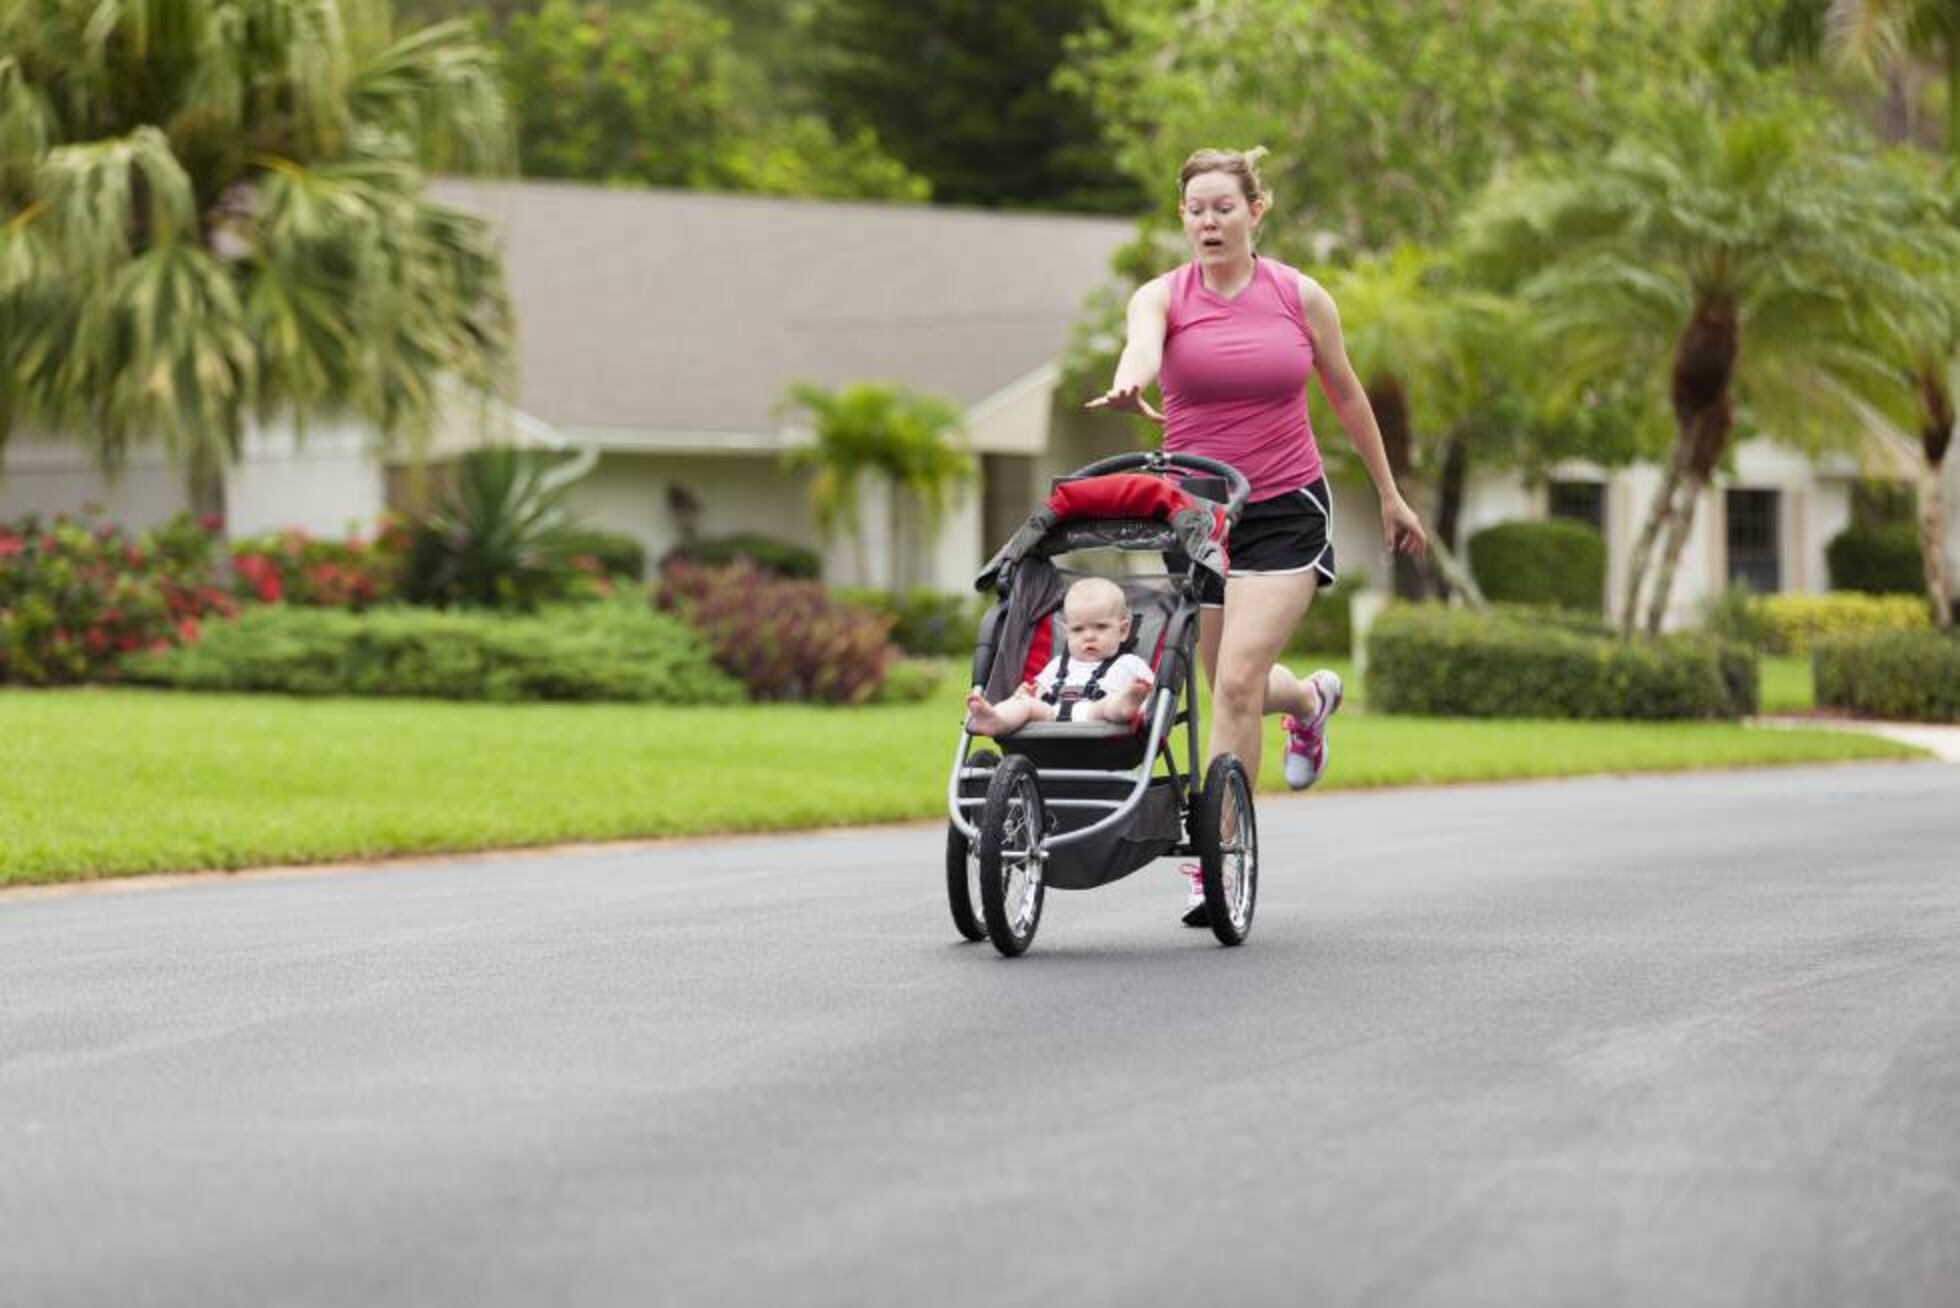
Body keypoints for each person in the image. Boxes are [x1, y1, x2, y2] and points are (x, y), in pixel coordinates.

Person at [1084, 146, 1429, 924]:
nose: (1209, 221)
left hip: (1283, 508)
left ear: (1255, 212)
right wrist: (1133, 376)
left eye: (1224, 207)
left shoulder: (1300, 297)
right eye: (1195, 209)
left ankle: (1219, 862)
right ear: (1183, 217)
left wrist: (1389, 493)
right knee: (1228, 684)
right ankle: (1309, 701)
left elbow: (1344, 395)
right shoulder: (1162, 296)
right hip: (1197, 515)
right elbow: (1140, 341)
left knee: (1238, 681)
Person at [965, 577, 1155, 737]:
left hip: (1095, 714)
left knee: (1110, 704)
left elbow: (1155, 693)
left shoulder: (1130, 663)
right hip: (1051, 714)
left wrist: (1139, 694)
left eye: (1101, 627)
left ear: (1123, 631)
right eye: (1078, 629)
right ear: (1067, 633)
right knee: (1024, 705)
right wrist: (1026, 693)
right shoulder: (1057, 664)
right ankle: (995, 719)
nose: (1089, 636)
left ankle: (1126, 704)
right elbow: (1040, 689)